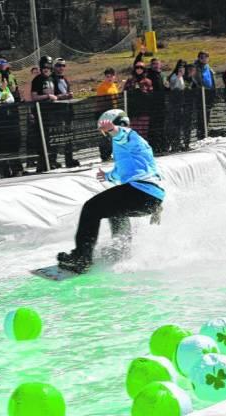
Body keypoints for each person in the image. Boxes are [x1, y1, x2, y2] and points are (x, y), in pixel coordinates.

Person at [56, 109, 164, 274]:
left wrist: (113, 129)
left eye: (105, 131)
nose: (105, 135)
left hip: (140, 191)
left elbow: (122, 134)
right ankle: (121, 251)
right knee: (115, 211)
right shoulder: (135, 147)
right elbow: (121, 172)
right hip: (152, 197)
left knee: (91, 208)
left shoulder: (129, 135)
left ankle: (81, 258)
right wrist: (107, 176)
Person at [30, 56, 62, 172]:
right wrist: (48, 96)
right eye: (43, 67)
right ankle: (42, 164)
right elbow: (34, 96)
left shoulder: (53, 79)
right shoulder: (37, 80)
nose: (45, 69)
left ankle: (52, 161)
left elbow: (57, 94)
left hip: (53, 113)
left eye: (48, 66)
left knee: (53, 138)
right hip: (41, 114)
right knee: (42, 139)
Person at [51, 58, 80, 167]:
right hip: (56, 113)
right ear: (54, 66)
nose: (61, 67)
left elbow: (68, 94)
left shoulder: (65, 79)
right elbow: (52, 96)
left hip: (67, 111)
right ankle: (52, 160)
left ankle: (69, 159)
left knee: (69, 137)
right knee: (56, 137)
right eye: (59, 65)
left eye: (63, 65)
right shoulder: (51, 79)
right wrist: (66, 96)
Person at [96, 67, 120, 161]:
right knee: (105, 136)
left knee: (113, 135)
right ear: (105, 77)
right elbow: (100, 102)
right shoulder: (102, 87)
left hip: (114, 114)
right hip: (104, 114)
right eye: (107, 76)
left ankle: (111, 154)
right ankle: (105, 155)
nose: (109, 78)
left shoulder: (114, 85)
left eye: (111, 76)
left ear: (114, 77)